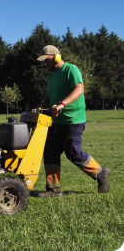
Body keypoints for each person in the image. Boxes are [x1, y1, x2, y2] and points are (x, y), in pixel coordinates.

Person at [36, 45, 110, 197]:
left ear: (56, 56)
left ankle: (101, 172)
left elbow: (79, 89)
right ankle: (53, 189)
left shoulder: (71, 70)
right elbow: (49, 96)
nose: (45, 64)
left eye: (47, 60)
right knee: (50, 152)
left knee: (73, 153)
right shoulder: (52, 76)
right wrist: (40, 107)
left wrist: (62, 104)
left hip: (72, 120)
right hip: (55, 122)